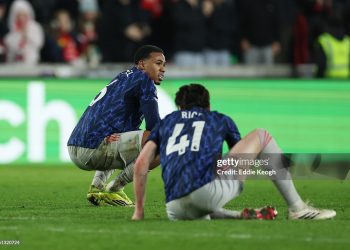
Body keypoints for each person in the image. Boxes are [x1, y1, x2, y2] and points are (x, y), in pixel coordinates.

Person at [132, 83, 336, 220]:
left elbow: (141, 164)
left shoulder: (166, 122)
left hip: (173, 208)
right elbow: (238, 158)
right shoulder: (219, 119)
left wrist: (139, 211)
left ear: (179, 106)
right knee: (262, 136)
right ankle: (298, 208)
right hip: (207, 195)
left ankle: (237, 215)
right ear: (208, 105)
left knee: (198, 190)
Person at [67, 45, 166, 206]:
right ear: (142, 64)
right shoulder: (144, 80)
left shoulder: (123, 77)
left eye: (164, 65)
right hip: (95, 148)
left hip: (75, 147)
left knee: (124, 137)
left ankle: (96, 187)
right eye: (158, 63)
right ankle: (114, 189)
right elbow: (154, 125)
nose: (163, 69)